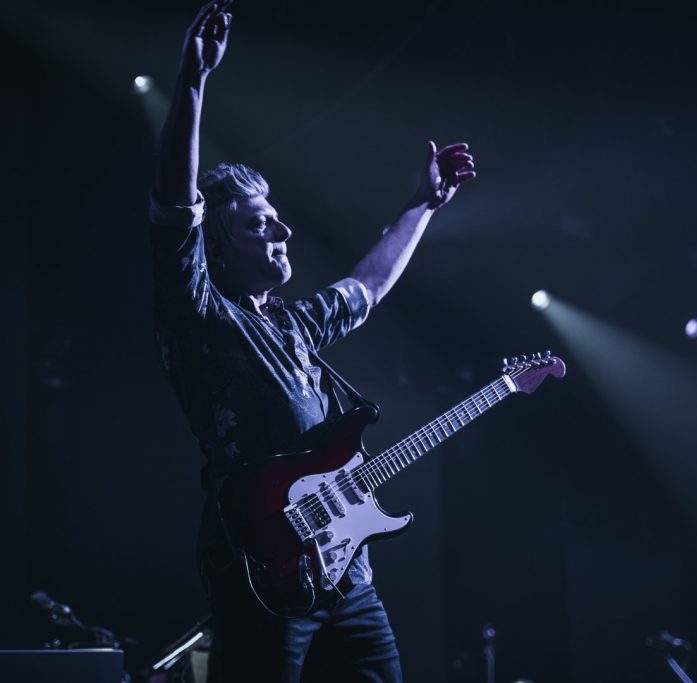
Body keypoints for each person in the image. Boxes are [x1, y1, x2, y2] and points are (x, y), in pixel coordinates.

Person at [148, 1, 475, 680]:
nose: (284, 232)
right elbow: (176, 209)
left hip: (347, 574)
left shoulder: (295, 325)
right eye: (260, 225)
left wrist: (422, 205)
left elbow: (369, 286)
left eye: (279, 220)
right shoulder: (202, 313)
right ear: (217, 248)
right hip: (264, 565)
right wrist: (193, 83)